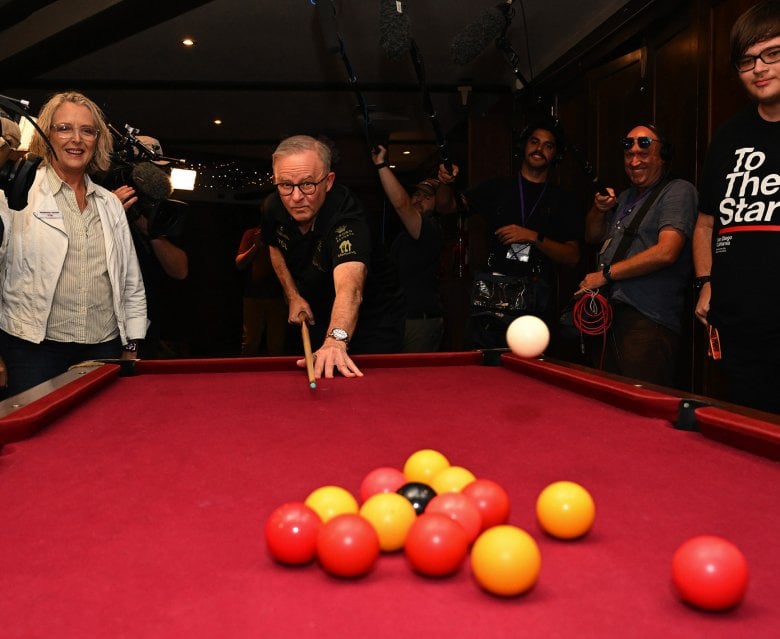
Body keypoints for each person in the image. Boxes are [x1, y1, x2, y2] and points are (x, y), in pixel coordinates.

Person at [0, 91, 147, 398]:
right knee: (34, 442)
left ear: (98, 140)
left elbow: (130, 282)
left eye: (87, 130)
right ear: (46, 134)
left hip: (102, 347)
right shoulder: (15, 196)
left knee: (99, 439)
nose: (76, 139)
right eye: (64, 128)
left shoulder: (109, 204)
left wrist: (131, 344)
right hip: (33, 351)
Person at [693, 0, 780, 413]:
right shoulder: (727, 136)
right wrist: (705, 281)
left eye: (772, 53)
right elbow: (707, 223)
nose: (759, 68)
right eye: (747, 61)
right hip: (738, 326)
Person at [261, 135, 405, 379]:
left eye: (307, 184)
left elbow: (351, 288)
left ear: (328, 182)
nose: (296, 197)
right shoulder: (273, 206)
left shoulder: (348, 217)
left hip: (374, 322)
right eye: (286, 185)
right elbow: (273, 246)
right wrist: (293, 295)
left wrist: (336, 339)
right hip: (320, 313)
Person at [436, 120, 582, 350]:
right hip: (494, 289)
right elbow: (447, 207)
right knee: (484, 360)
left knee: (534, 364)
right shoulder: (497, 188)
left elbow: (572, 256)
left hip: (537, 295)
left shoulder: (562, 200)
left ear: (555, 155)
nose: (539, 149)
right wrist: (444, 183)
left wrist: (533, 237)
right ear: (524, 146)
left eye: (548, 146)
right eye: (534, 142)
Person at [578, 123, 697, 387]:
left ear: (662, 156)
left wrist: (606, 275)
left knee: (640, 404)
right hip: (610, 317)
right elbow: (592, 237)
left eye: (643, 154)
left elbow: (667, 251)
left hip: (647, 320)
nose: (634, 161)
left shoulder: (678, 191)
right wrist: (599, 210)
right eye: (629, 155)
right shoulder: (625, 196)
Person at [112, 135, 188, 358]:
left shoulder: (167, 211)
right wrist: (110, 213)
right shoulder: (101, 200)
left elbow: (180, 270)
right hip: (104, 329)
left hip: (149, 327)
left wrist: (148, 228)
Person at [372, 144, 443, 352]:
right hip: (402, 318)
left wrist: (381, 165)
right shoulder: (406, 234)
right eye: (417, 194)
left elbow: (402, 205)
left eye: (427, 196)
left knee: (414, 380)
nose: (419, 199)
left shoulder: (430, 228)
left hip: (419, 321)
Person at [235, 221, 287, 355]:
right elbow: (239, 264)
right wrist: (256, 246)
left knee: (276, 344)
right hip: (253, 295)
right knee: (250, 341)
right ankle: (245, 374)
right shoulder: (252, 233)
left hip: (277, 296)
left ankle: (277, 375)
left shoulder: (284, 234)